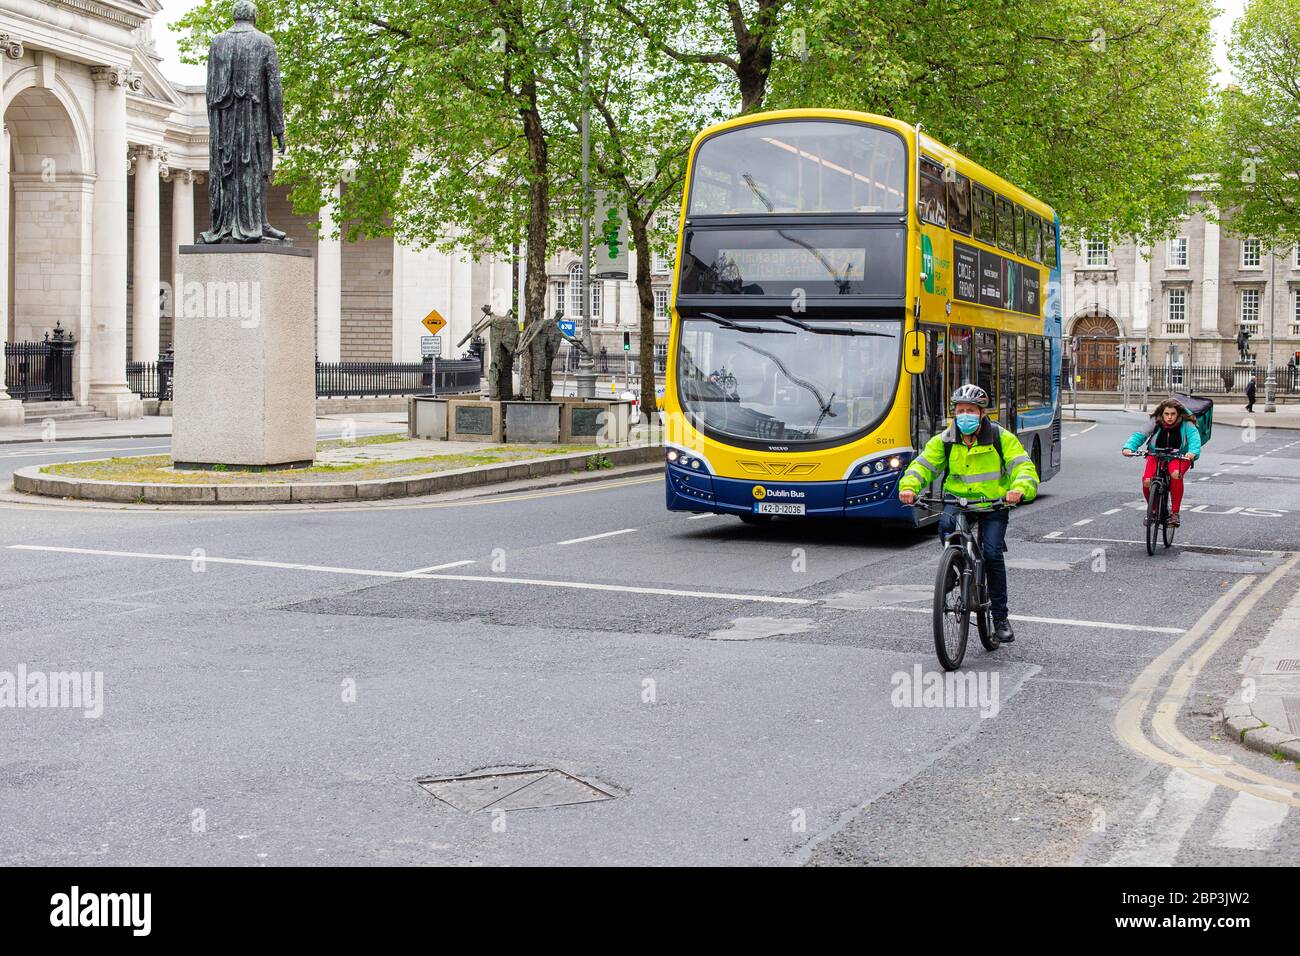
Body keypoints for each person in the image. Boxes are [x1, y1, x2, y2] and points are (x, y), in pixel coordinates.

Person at [898, 384, 1040, 644]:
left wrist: (1019, 489)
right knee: (946, 525)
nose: (965, 415)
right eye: (960, 410)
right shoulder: (946, 440)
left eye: (970, 411)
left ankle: (999, 618)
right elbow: (923, 465)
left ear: (982, 414)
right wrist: (909, 487)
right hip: (959, 500)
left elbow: (1023, 467)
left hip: (993, 503)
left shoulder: (1000, 437)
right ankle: (953, 568)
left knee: (992, 553)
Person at [1121, 398, 1201, 527]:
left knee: (1175, 474)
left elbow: (1194, 440)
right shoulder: (1156, 421)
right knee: (1147, 481)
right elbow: (1140, 434)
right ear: (1162, 414)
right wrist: (1129, 447)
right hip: (1156, 455)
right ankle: (1152, 511)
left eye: (1173, 414)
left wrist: (1192, 452)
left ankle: (1175, 514)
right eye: (1166, 414)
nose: (1169, 417)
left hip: (1179, 457)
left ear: (1178, 414)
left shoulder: (1187, 424)